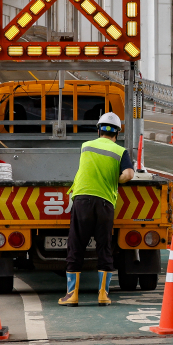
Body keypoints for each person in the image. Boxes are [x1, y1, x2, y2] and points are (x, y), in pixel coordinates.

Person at [60, 112, 134, 307]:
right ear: (117, 133)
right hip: (105, 204)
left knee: (76, 247)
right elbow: (128, 174)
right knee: (104, 248)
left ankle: (72, 295)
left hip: (82, 200)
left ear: (98, 129)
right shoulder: (121, 152)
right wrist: (116, 179)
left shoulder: (86, 147)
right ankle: (103, 295)